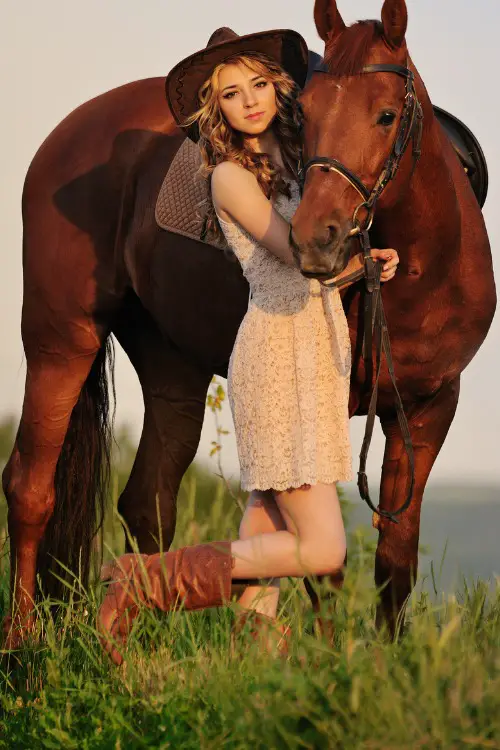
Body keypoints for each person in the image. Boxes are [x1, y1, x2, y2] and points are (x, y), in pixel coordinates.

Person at [98, 28, 399, 665]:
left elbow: (322, 268)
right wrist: (348, 251)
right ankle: (146, 580)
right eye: (232, 94)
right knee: (323, 549)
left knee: (267, 520)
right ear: (218, 109)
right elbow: (298, 254)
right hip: (276, 358)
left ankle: (253, 673)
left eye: (259, 84)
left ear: (277, 85)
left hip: (316, 352)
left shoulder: (299, 157)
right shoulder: (230, 177)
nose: (251, 101)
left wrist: (367, 263)